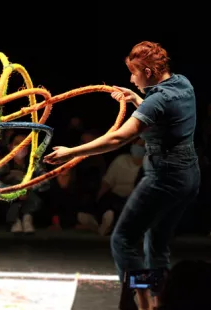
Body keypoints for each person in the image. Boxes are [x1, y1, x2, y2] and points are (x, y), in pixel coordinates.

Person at [43, 41, 200, 309]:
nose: (131, 78)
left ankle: (142, 300)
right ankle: (159, 300)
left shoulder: (157, 100)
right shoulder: (182, 84)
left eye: (134, 72)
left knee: (122, 240)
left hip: (164, 179)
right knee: (156, 244)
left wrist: (73, 152)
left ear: (148, 72)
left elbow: (118, 138)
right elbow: (163, 117)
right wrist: (137, 99)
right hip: (188, 176)